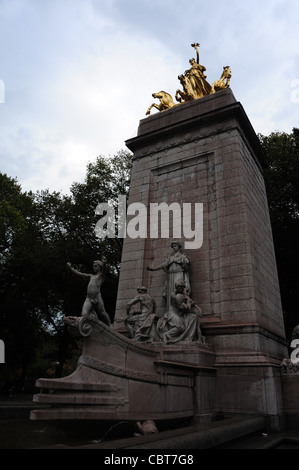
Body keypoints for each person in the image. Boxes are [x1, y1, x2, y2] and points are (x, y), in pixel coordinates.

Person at [67, 257, 111, 326]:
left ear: (100, 267)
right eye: (93, 266)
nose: (94, 267)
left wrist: (104, 263)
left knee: (102, 313)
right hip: (89, 298)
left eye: (96, 266)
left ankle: (110, 325)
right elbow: (80, 274)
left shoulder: (101, 276)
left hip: (97, 297)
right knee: (84, 314)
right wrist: (70, 268)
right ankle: (90, 324)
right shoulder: (91, 276)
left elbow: (104, 270)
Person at [147, 241, 190, 311]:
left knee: (179, 290)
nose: (174, 248)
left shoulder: (182, 256)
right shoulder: (170, 258)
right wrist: (153, 269)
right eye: (173, 246)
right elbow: (163, 265)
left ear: (179, 247)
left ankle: (180, 309)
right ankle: (171, 310)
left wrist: (185, 261)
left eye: (175, 246)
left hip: (179, 274)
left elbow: (187, 263)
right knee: (170, 293)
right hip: (171, 276)